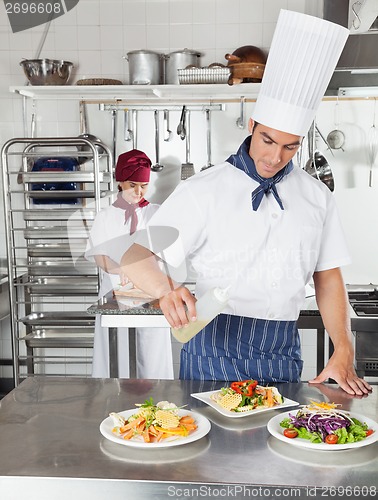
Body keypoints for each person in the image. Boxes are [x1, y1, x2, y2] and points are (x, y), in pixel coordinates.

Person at [119, 11, 372, 396]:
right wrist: (164, 290)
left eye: (290, 147)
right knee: (211, 453)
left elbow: (328, 275)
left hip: (282, 353)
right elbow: (134, 255)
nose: (275, 157)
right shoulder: (203, 189)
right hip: (212, 351)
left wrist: (343, 346)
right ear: (252, 125)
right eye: (268, 141)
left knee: (278, 451)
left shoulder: (316, 195)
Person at [85, 149, 174, 379]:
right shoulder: (105, 216)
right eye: (132, 184)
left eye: (144, 185)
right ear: (120, 181)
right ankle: (113, 400)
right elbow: (101, 258)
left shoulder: (158, 214)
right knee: (117, 353)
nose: (138, 191)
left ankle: (157, 405)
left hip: (152, 293)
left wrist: (146, 273)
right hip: (115, 294)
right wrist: (126, 271)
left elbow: (166, 253)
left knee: (152, 353)